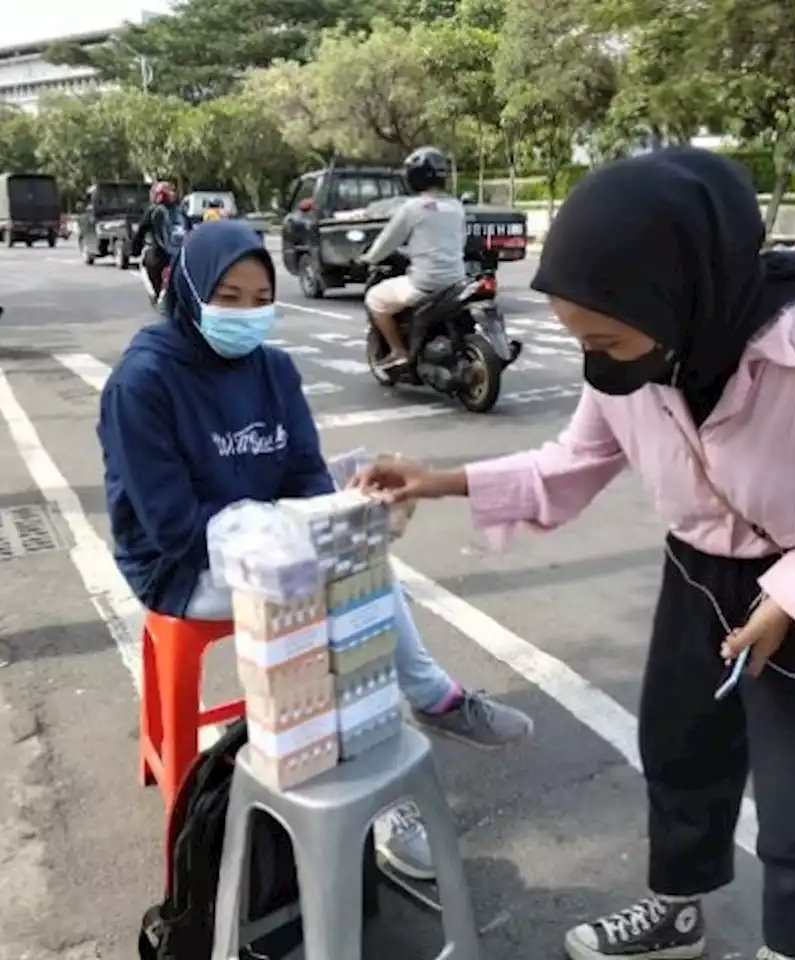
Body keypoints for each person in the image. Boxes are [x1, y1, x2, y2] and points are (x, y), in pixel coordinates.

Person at [354, 149, 795, 960]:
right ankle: (677, 911)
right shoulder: (637, 352)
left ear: (679, 290)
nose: (596, 359)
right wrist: (435, 480)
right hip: (699, 575)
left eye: (604, 337)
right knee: (679, 752)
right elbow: (570, 462)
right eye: (576, 336)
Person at [97, 219, 532, 882]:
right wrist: (286, 543)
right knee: (333, 589)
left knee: (351, 565)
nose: (245, 313)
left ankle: (404, 736)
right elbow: (171, 526)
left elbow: (304, 474)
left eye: (258, 296)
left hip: (271, 533)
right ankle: (403, 757)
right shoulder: (145, 382)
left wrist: (329, 518)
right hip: (183, 563)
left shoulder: (272, 369)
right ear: (188, 291)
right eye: (228, 297)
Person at [361, 146, 466, 373]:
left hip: (424, 284)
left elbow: (386, 243)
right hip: (456, 282)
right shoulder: (456, 207)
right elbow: (458, 242)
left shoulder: (413, 208)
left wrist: (368, 258)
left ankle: (398, 351)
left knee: (375, 299)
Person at [135, 181, 189, 305]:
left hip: (158, 258)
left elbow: (140, 231)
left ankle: (156, 295)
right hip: (181, 258)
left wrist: (135, 249)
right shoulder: (181, 211)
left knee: (145, 264)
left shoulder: (153, 211)